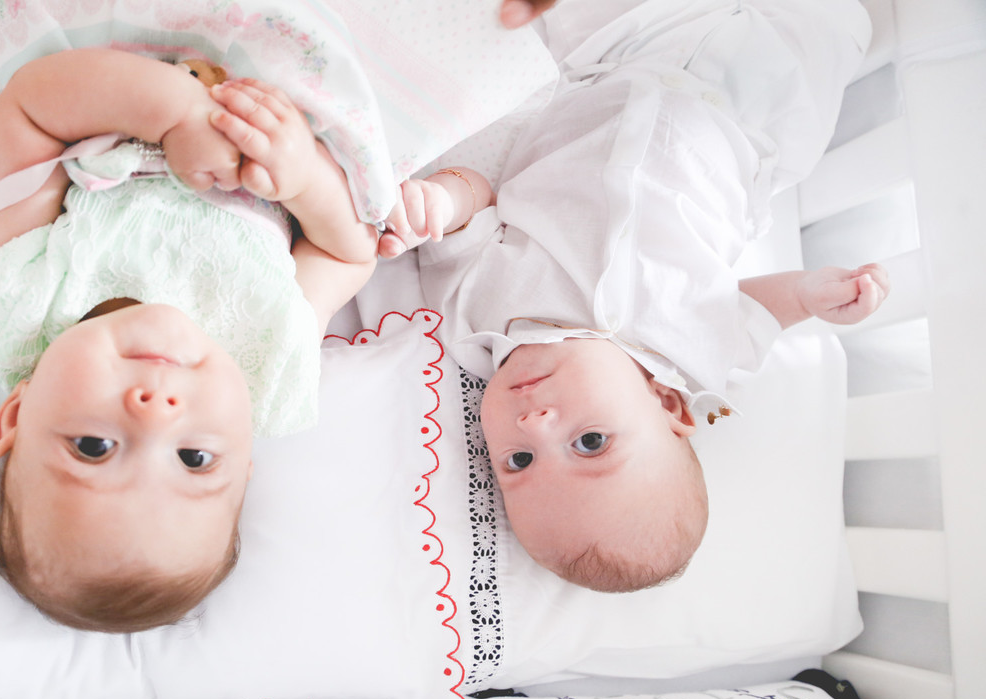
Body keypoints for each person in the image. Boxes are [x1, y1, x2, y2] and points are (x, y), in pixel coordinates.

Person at [379, 0, 885, 592]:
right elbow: (759, 312)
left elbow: (477, 201)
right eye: (589, 443)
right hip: (754, 117)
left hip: (611, 61)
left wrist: (440, 203)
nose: (536, 424)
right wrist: (809, 295)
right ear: (668, 408)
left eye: (519, 461)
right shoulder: (695, 361)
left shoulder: (473, 320)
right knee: (840, 24)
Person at [0, 48, 378, 632]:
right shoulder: (272, 363)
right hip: (284, 99)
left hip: (122, 58)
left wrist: (177, 118)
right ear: (246, 457)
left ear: (16, 413)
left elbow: (29, 108)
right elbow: (345, 252)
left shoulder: (20, 303)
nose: (155, 414)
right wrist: (303, 179)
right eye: (194, 459)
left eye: (93, 447)